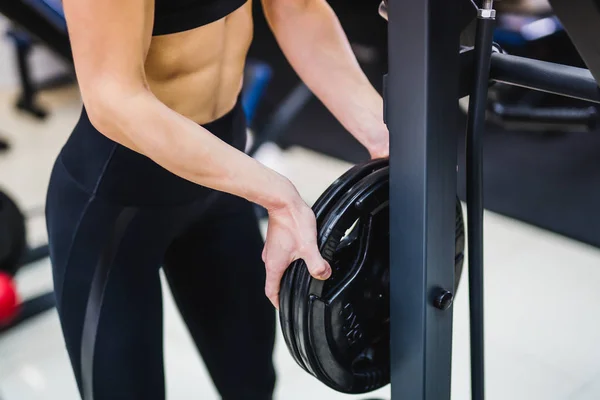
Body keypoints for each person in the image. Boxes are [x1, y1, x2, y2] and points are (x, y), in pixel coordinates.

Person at [45, 0, 389, 399]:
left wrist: (384, 135)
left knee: (252, 382)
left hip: (222, 181)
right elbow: (113, 98)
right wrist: (277, 195)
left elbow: (299, 9)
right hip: (116, 204)